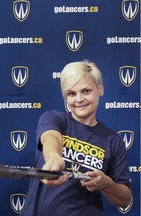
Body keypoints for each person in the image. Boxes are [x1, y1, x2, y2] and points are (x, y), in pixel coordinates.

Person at [20, 60, 132, 216]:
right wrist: (54, 158)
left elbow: (125, 199)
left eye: (86, 91)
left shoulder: (113, 140)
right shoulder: (53, 118)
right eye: (71, 93)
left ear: (100, 89)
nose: (79, 99)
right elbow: (51, 138)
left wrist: (106, 183)